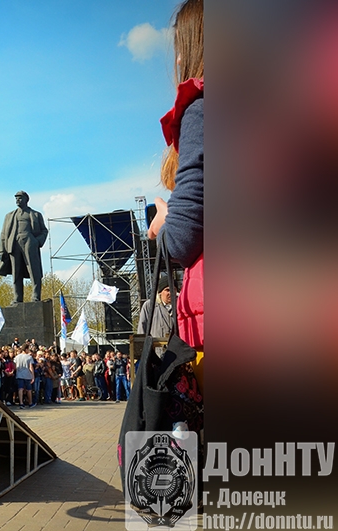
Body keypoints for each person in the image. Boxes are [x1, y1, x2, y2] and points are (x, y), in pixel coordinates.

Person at [147, 0, 204, 387]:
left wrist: (165, 220)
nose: (178, 56)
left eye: (181, 45)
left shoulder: (206, 106)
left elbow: (182, 239)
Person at [0, 191, 49, 302]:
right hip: (14, 244)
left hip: (30, 242)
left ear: (26, 199)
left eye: (20, 198)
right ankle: (17, 298)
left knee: (34, 271)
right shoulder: (9, 216)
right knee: (16, 272)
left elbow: (44, 231)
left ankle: (35, 296)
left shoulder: (35, 214)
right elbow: (3, 234)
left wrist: (37, 241)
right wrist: (2, 250)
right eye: (16, 198)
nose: (17, 200)